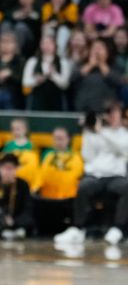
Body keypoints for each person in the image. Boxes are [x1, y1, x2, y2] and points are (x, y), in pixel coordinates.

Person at [54, 103, 128, 245]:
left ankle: (118, 228)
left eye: (115, 113)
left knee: (126, 188)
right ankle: (78, 228)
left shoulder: (124, 133)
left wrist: (103, 132)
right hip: (95, 176)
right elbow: (88, 157)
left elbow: (125, 149)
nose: (112, 117)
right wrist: (89, 131)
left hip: (116, 176)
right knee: (83, 187)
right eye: (109, 113)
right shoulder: (91, 133)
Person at [32, 126, 83, 236]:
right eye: (56, 138)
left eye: (61, 138)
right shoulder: (48, 156)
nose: (58, 141)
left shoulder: (76, 157)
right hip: (48, 199)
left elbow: (78, 176)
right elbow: (40, 176)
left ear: (68, 139)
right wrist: (35, 188)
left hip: (68, 200)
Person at [23, 35, 72, 111]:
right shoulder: (33, 61)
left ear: (55, 45)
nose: (47, 46)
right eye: (44, 43)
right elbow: (25, 82)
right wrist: (36, 80)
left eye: (50, 43)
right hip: (37, 102)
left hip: (56, 102)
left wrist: (53, 74)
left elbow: (65, 84)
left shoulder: (62, 62)